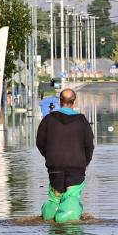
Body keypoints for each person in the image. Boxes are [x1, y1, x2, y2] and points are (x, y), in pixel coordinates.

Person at [36, 89, 94, 223]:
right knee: (71, 197)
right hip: (76, 168)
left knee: (55, 198)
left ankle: (50, 213)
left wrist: (50, 157)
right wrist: (84, 162)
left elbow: (40, 143)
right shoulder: (82, 121)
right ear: (74, 102)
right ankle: (67, 214)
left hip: (54, 168)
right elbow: (89, 146)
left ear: (59, 101)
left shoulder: (48, 120)